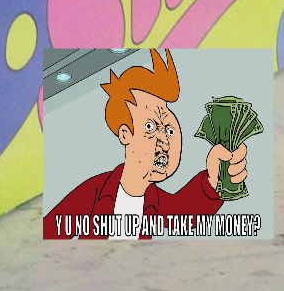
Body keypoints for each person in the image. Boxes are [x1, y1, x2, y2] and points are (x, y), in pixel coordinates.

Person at [42, 49, 247, 240]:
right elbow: (52, 229)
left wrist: (212, 181)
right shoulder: (95, 191)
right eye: (150, 127)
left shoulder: (155, 202)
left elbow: (184, 214)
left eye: (170, 130)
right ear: (125, 134)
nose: (164, 141)